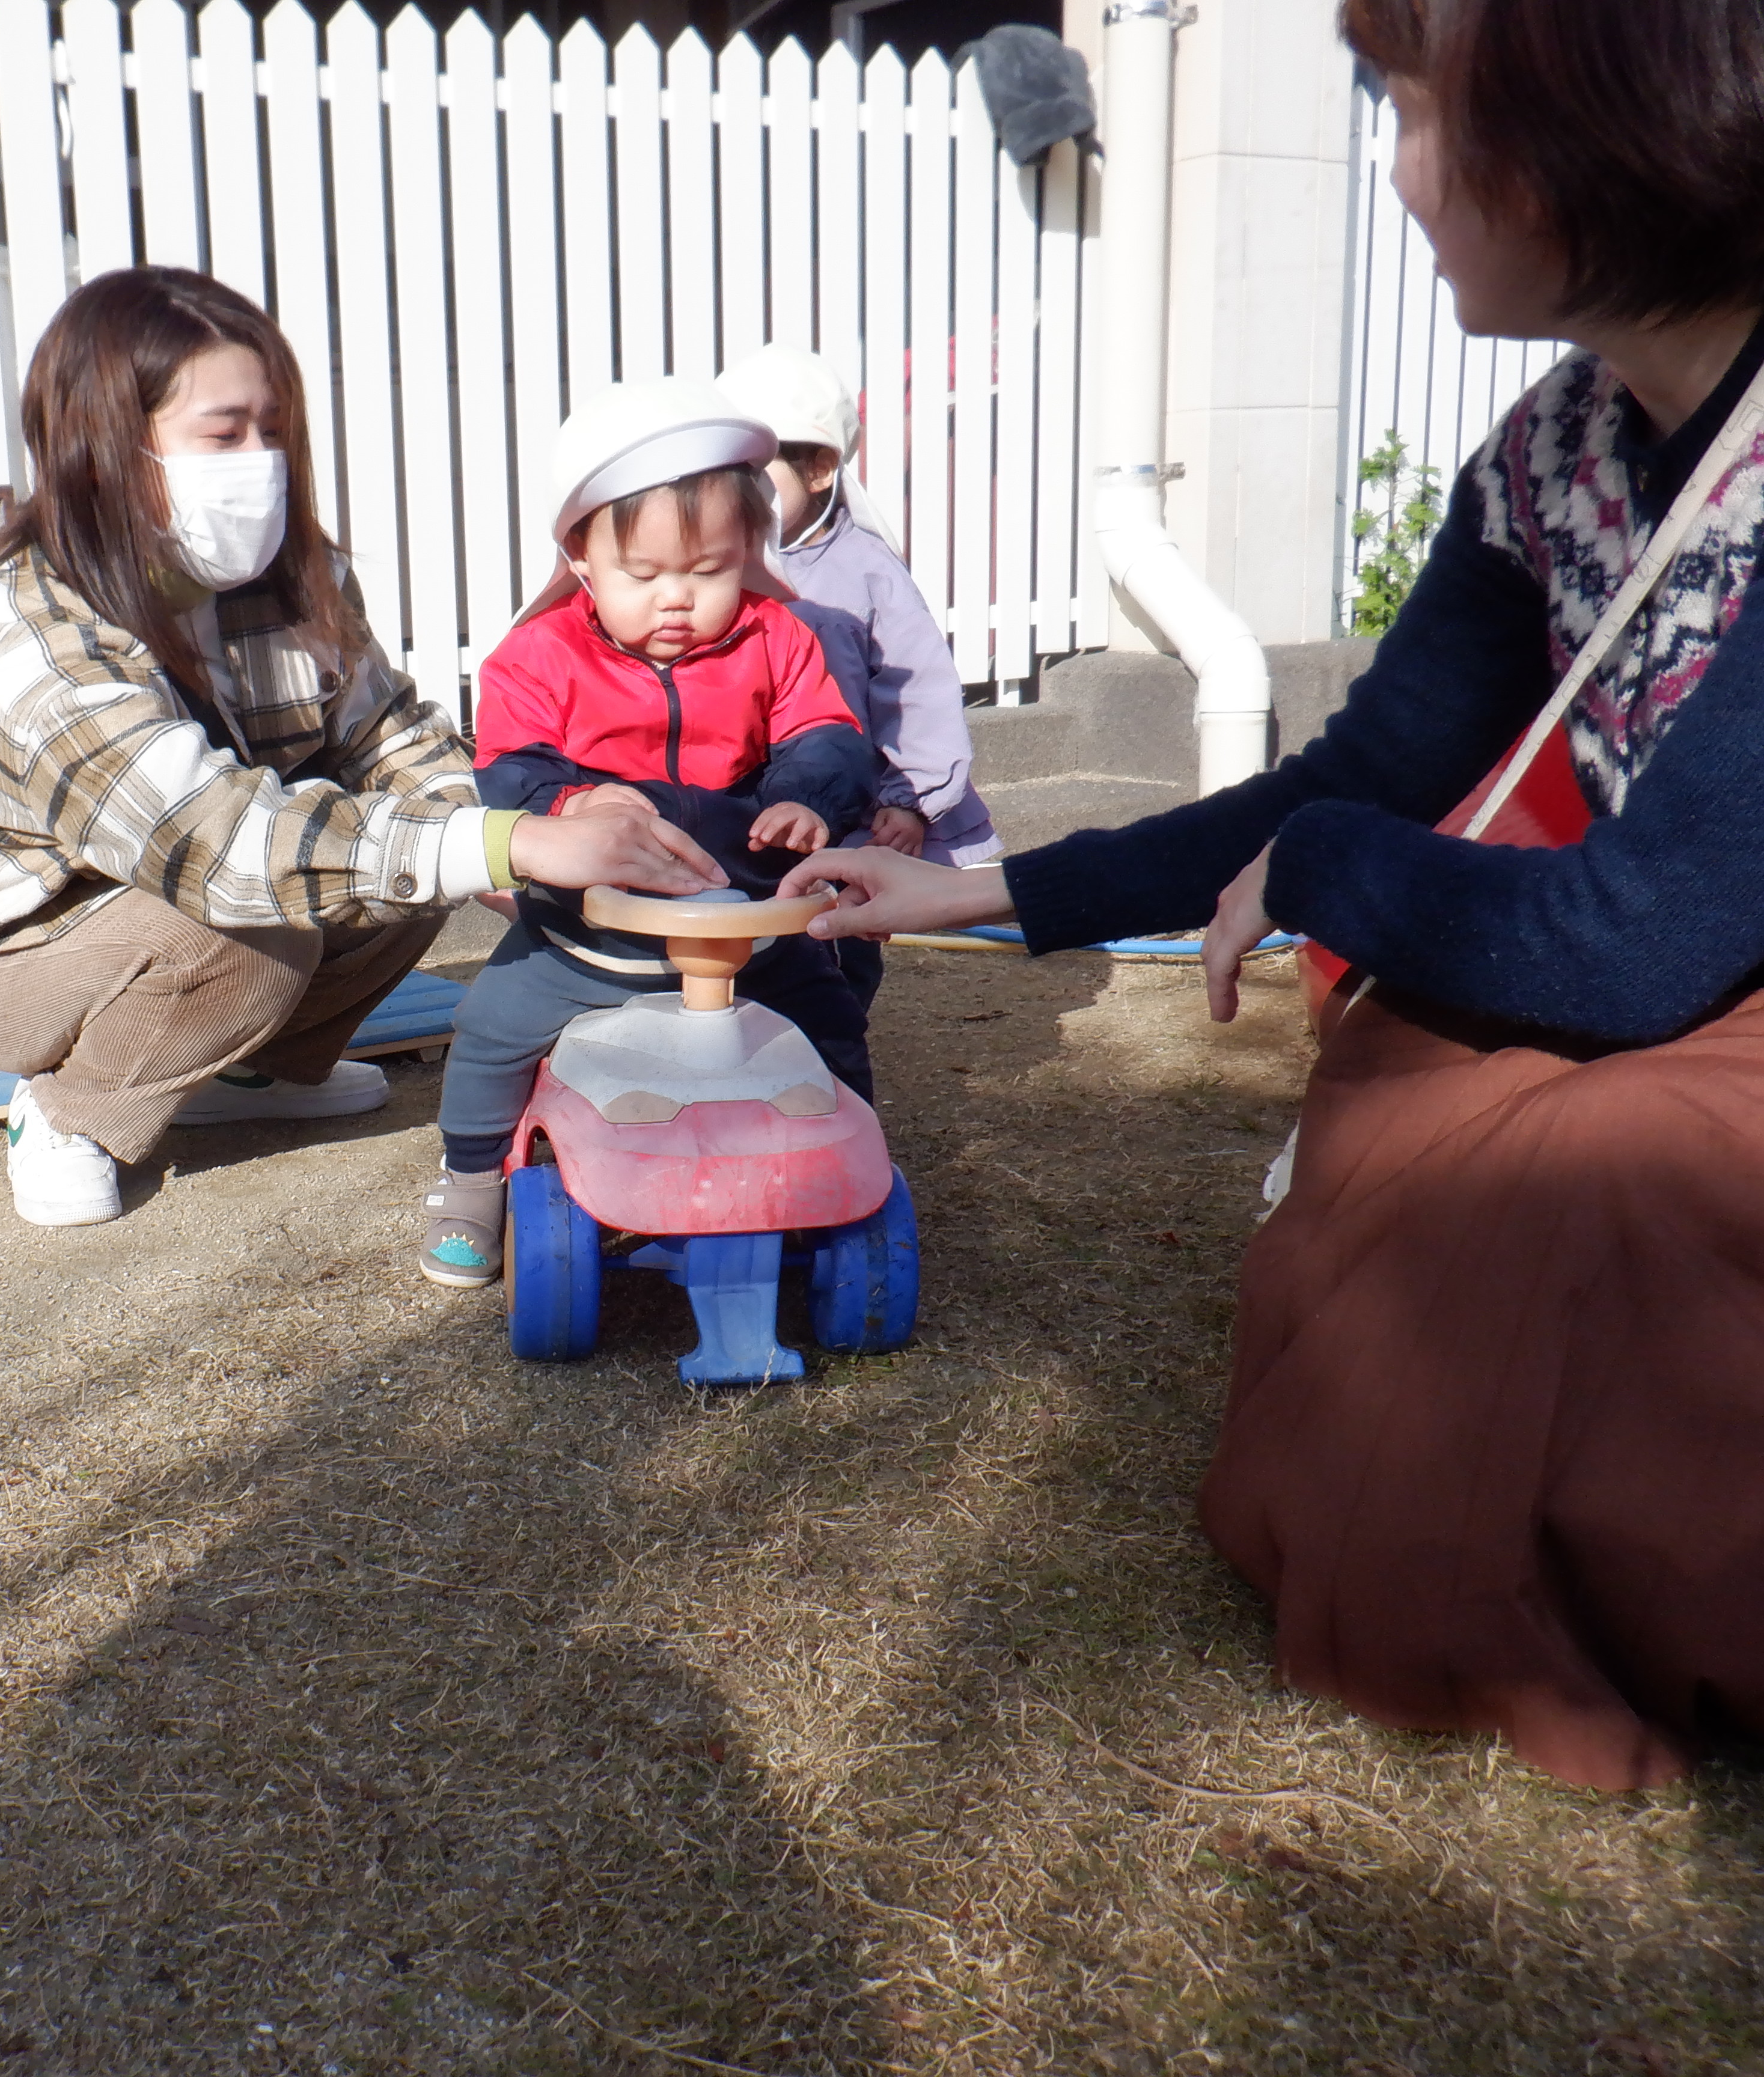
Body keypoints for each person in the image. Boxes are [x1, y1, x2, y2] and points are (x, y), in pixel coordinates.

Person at [772, 0, 1764, 1790]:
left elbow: (1638, 943)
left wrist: (1324, 872)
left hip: (1690, 983)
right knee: (1406, 1119)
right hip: (1673, 970)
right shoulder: (1554, 449)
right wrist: (971, 892)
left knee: (1568, 1187)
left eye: (1419, 112)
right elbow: (1351, 778)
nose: (1399, 174)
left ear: (1609, 112)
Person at [0, 267, 723, 1230]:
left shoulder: (284, 577)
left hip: (159, 897)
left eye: (272, 429)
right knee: (258, 925)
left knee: (420, 850)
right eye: (224, 433)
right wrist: (512, 844)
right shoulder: (18, 624)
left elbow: (388, 736)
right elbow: (206, 841)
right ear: (101, 445)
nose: (261, 460)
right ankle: (74, 1110)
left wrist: (525, 833)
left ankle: (250, 1069)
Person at [418, 379, 882, 1289]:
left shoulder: (777, 638)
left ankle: (839, 1158)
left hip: (746, 925)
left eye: (708, 571)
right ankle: (470, 1177)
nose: (678, 599)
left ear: (748, 555)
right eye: (645, 574)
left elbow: (826, 731)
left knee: (830, 1018)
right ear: (582, 560)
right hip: (590, 930)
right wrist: (571, 803)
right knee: (491, 1025)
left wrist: (807, 797)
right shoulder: (539, 656)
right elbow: (509, 764)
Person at [715, 343, 1002, 865]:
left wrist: (909, 799)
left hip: (866, 808)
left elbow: (916, 690)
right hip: (768, 806)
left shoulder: (864, 570)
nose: (738, 493)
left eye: (755, 472)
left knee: (855, 902)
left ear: (820, 469)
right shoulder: (715, 565)